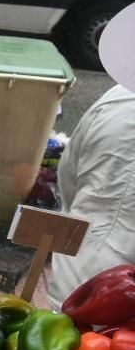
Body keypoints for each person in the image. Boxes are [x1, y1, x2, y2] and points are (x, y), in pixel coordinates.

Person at [48, 84, 135, 309]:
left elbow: (68, 175)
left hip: (78, 262)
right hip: (117, 292)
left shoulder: (117, 96)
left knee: (63, 332)